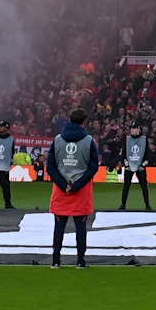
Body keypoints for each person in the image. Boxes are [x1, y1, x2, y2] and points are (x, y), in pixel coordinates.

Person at [47, 108, 100, 269]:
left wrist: (64, 185)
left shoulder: (57, 140)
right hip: (81, 189)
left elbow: (50, 166)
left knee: (59, 226)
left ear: (69, 120)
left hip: (61, 188)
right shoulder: (89, 141)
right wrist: (76, 185)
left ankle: (56, 260)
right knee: (81, 227)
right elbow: (93, 167)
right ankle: (80, 260)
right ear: (85, 122)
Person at [118, 120, 151, 211]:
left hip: (140, 166)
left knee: (144, 186)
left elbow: (147, 154)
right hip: (129, 165)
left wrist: (143, 166)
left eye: (134, 128)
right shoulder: (127, 140)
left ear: (139, 129)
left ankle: (147, 205)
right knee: (126, 186)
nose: (132, 130)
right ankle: (123, 205)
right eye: (132, 128)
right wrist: (126, 165)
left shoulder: (144, 140)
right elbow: (124, 154)